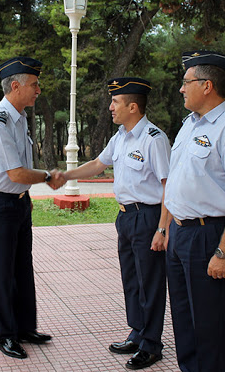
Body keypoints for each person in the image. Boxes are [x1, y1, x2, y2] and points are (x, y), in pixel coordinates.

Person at [61, 77, 170, 370]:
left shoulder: (153, 139)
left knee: (150, 283)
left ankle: (152, 344)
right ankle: (137, 333)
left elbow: (167, 186)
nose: (110, 107)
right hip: (125, 217)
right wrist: (66, 176)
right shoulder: (120, 136)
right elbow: (98, 164)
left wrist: (162, 228)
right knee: (132, 280)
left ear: (133, 106)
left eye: (116, 102)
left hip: (148, 218)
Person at [162, 51, 225, 371]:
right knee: (185, 321)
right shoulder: (189, 125)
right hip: (180, 233)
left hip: (208, 235)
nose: (181, 89)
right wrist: (166, 229)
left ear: (207, 86)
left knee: (209, 325)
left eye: (186, 82)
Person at [0, 56, 65, 359]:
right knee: (2, 273)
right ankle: (5, 335)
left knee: (22, 268)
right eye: (34, 85)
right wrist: (48, 177)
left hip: (18, 202)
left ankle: (25, 327)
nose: (38, 90)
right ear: (16, 86)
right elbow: (15, 173)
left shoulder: (19, 117)